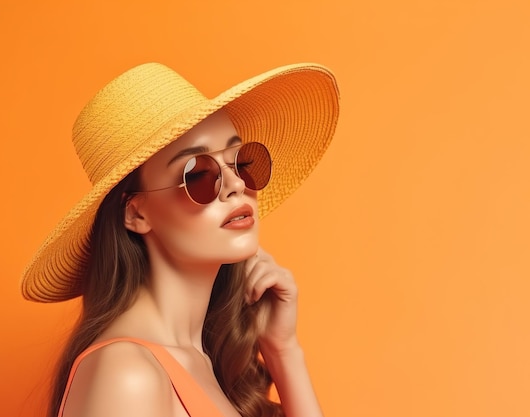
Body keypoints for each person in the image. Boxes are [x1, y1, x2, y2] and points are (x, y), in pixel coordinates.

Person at [21, 62, 339, 417]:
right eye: (199, 174)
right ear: (137, 213)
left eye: (242, 162)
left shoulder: (207, 363)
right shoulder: (128, 375)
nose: (236, 185)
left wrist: (283, 350)